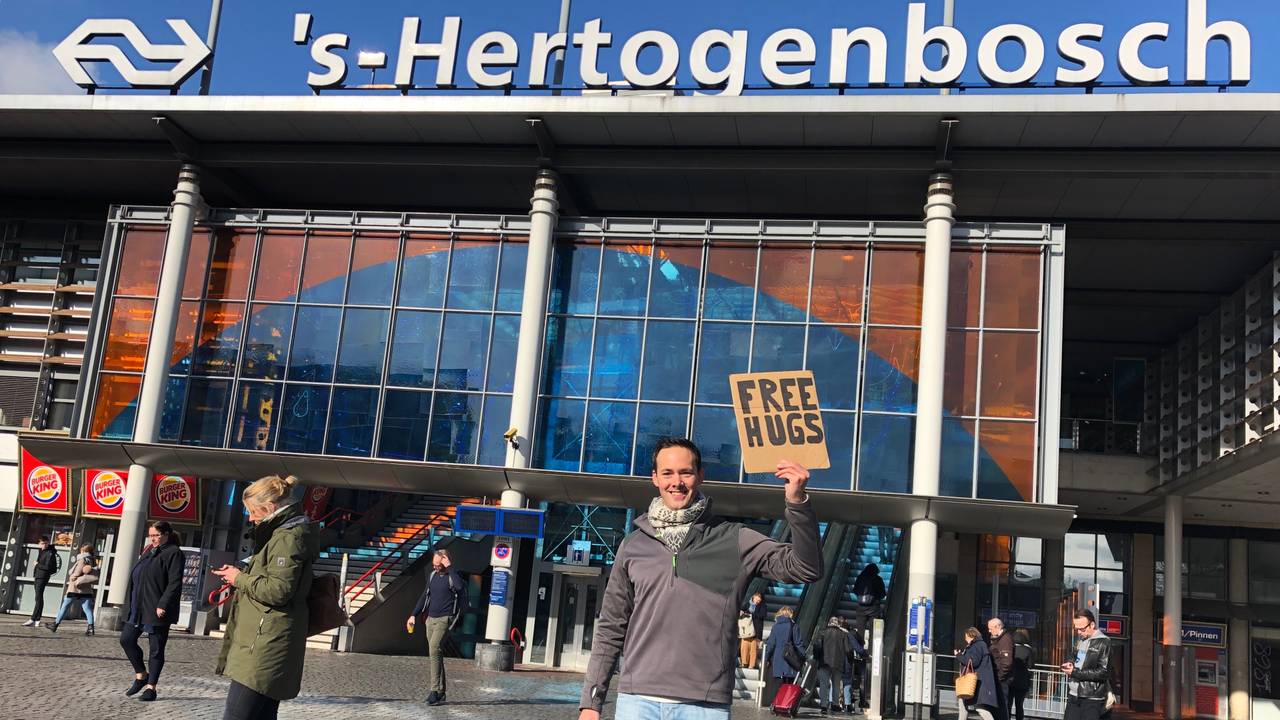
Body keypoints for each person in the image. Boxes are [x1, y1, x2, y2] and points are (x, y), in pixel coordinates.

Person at [578, 438, 823, 720]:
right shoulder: (633, 545)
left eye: (686, 472)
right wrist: (591, 703)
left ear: (701, 476)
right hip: (636, 702)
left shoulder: (734, 539)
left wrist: (797, 502)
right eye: (667, 473)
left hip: (704, 706)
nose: (677, 482)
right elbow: (611, 626)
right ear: (655, 478)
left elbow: (806, 568)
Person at [213, 474, 318, 720]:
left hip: (264, 645)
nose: (250, 518)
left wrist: (239, 578)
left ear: (270, 507)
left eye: (252, 512)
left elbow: (279, 590)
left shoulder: (288, 537)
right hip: (263, 639)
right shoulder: (280, 533)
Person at [119, 521, 183, 702]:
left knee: (156, 648)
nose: (153, 538)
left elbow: (175, 582)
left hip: (157, 608)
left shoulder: (174, 553)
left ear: (167, 534)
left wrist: (163, 603)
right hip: (137, 607)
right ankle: (141, 674)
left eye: (156, 535)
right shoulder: (148, 550)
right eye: (151, 535)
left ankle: (151, 687)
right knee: (126, 640)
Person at [406, 549, 468, 706]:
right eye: (433, 565)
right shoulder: (433, 576)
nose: (435, 568)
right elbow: (424, 595)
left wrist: (450, 567)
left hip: (445, 619)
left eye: (438, 565)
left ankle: (434, 691)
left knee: (434, 649)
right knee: (436, 654)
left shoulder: (452, 576)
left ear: (445, 562)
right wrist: (413, 614)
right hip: (430, 619)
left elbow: (460, 588)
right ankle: (441, 693)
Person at [1062, 610, 1111, 720]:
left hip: (1092, 698)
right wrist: (1070, 663)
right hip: (1074, 694)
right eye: (1076, 628)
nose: (1079, 632)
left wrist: (1075, 672)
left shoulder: (1104, 642)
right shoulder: (1080, 640)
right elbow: (1073, 656)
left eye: (1082, 629)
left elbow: (1103, 672)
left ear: (1092, 625)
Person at [47, 543, 98, 634]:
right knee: (87, 609)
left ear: (83, 550)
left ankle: (55, 624)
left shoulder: (82, 559)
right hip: (86, 589)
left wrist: (72, 576)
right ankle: (91, 628)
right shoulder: (92, 560)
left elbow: (77, 572)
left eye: (81, 549)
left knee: (65, 607)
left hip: (75, 588)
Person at [956, 626, 1004, 720]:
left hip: (975, 683)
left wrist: (959, 655)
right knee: (964, 705)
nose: (965, 639)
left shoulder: (977, 645)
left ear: (971, 635)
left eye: (966, 636)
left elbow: (973, 661)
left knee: (980, 708)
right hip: (977, 682)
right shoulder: (980, 645)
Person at [764, 606, 805, 706]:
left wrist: (766, 658)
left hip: (777, 659)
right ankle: (785, 704)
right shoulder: (794, 626)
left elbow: (771, 644)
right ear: (790, 614)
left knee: (777, 682)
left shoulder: (776, 626)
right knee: (789, 683)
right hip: (790, 658)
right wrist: (803, 656)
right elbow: (798, 643)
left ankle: (775, 704)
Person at [816, 616, 852, 715]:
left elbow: (817, 647)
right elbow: (848, 650)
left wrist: (817, 658)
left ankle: (823, 705)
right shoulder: (843, 634)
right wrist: (850, 659)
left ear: (829, 623)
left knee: (824, 684)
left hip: (824, 662)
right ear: (838, 624)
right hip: (838, 663)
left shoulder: (822, 633)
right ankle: (835, 705)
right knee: (836, 684)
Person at [23, 537, 60, 627]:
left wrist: (37, 564)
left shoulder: (49, 553)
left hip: (42, 577)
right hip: (38, 576)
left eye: (45, 543)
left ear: (48, 543)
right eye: (42, 543)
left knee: (38, 598)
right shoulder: (42, 551)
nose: (44, 545)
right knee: (38, 598)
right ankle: (37, 619)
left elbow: (48, 568)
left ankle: (33, 619)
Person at [988, 617, 1015, 719]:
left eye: (990, 628)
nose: (989, 631)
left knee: (1002, 706)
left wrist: (999, 677)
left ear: (997, 627)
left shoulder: (1005, 639)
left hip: (1002, 679)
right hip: (999, 677)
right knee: (999, 706)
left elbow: (1006, 663)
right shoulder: (999, 639)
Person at [850, 563, 886, 636]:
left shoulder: (860, 578)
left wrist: (862, 597)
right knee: (873, 632)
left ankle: (859, 647)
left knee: (860, 632)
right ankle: (871, 647)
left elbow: (855, 590)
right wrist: (875, 598)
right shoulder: (878, 579)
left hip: (861, 608)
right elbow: (882, 594)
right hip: (874, 608)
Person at [1010, 628, 1035, 720]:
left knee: (1008, 704)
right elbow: (1031, 665)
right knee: (1019, 705)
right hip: (1022, 680)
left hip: (1010, 679)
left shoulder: (1010, 647)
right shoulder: (1028, 649)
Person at [740, 591, 767, 670]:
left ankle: (751, 665)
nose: (757, 601)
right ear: (753, 597)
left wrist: (751, 615)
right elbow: (741, 611)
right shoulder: (747, 604)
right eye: (756, 599)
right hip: (746, 629)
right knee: (744, 646)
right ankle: (744, 663)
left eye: (759, 600)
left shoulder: (763, 606)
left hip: (756, 630)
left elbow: (763, 615)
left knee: (753, 648)